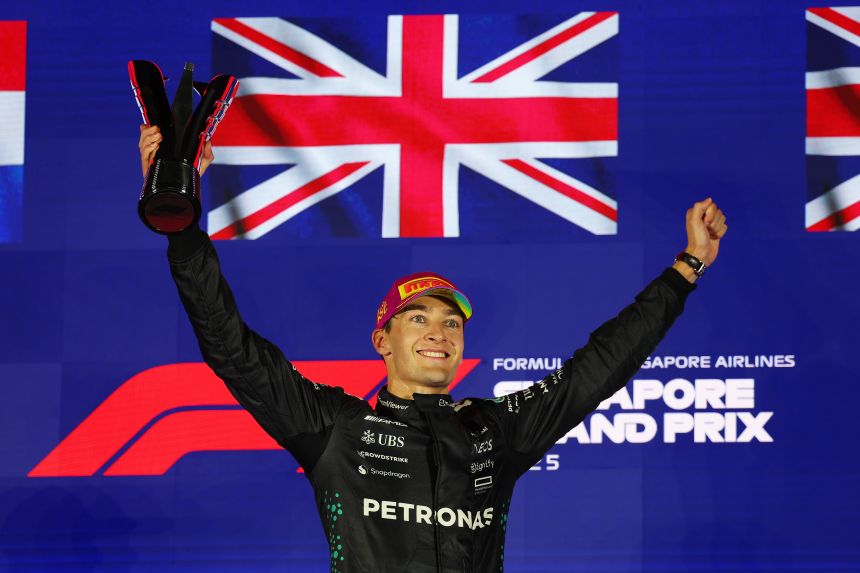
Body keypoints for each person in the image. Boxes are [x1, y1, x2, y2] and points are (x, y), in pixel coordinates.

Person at [138, 125, 728, 573]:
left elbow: (600, 366)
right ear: (383, 342)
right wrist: (182, 229)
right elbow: (231, 349)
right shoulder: (336, 428)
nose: (438, 332)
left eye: (451, 322)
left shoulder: (496, 431)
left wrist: (688, 267)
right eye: (416, 318)